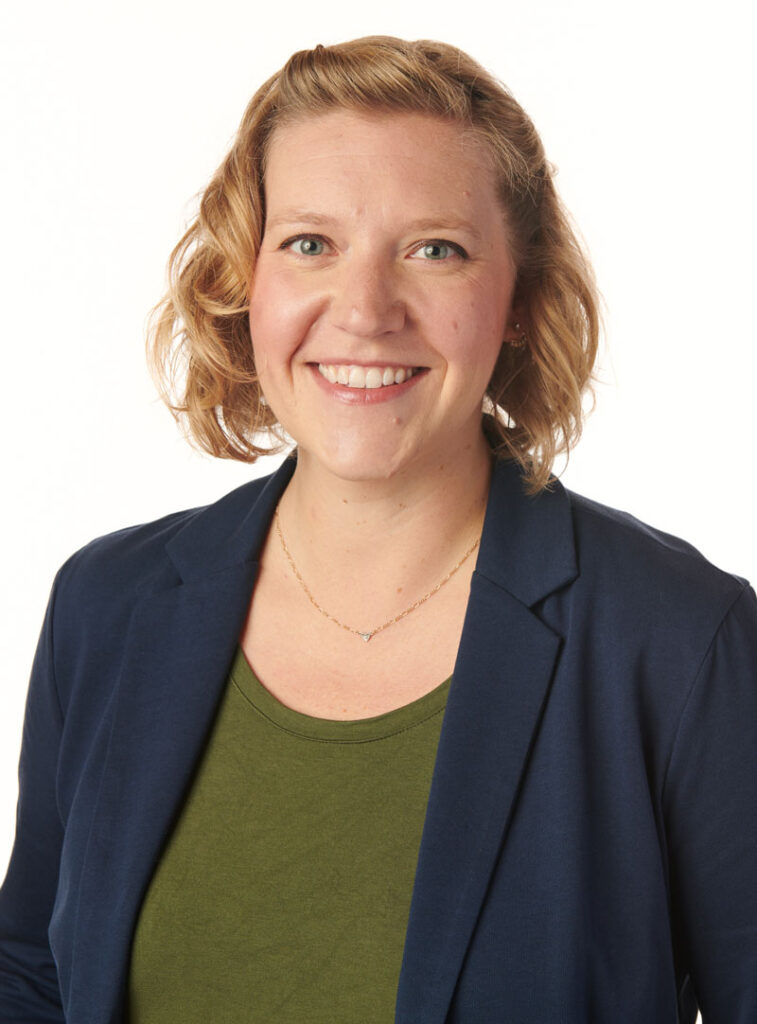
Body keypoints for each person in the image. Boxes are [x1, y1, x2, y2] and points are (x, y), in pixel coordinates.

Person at [1, 34, 755, 1024]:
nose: (363, 311)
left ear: (517, 301)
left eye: (433, 248)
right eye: (309, 243)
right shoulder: (108, 606)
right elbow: (34, 977)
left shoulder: (679, 640)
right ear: (248, 279)